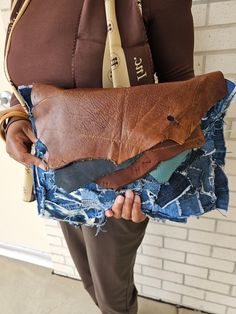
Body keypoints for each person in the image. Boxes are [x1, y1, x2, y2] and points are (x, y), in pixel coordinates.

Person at [4, 1, 195, 313]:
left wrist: (150, 180)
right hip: (56, 176)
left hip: (120, 185)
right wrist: (13, 120)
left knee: (112, 292)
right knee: (88, 275)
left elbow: (184, 92)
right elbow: (24, 84)